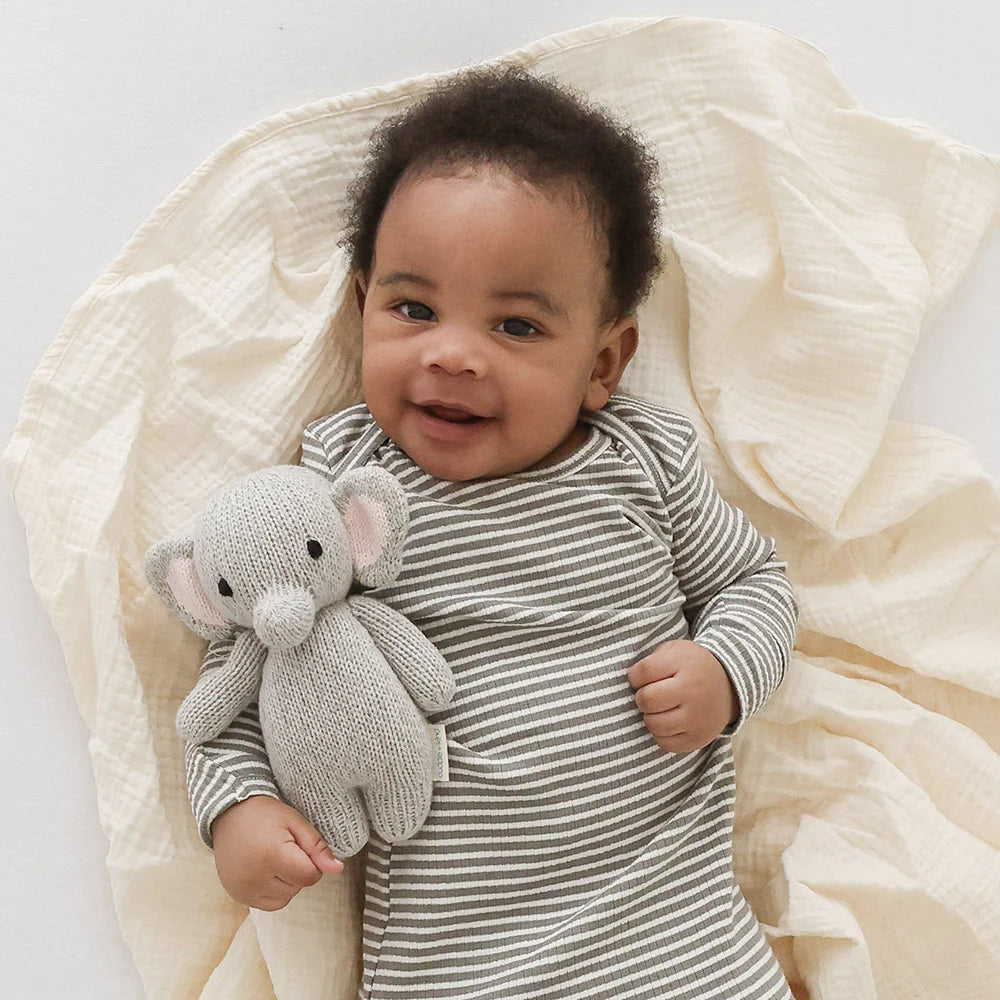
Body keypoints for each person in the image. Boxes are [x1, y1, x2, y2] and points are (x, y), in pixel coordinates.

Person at [185, 64, 800, 999]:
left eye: (515, 325)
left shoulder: (642, 462)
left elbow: (756, 584)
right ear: (361, 312)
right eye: (413, 309)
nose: (453, 353)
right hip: (461, 965)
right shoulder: (335, 491)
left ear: (603, 361)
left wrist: (724, 672)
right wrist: (238, 811)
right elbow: (240, 669)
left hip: (672, 937)